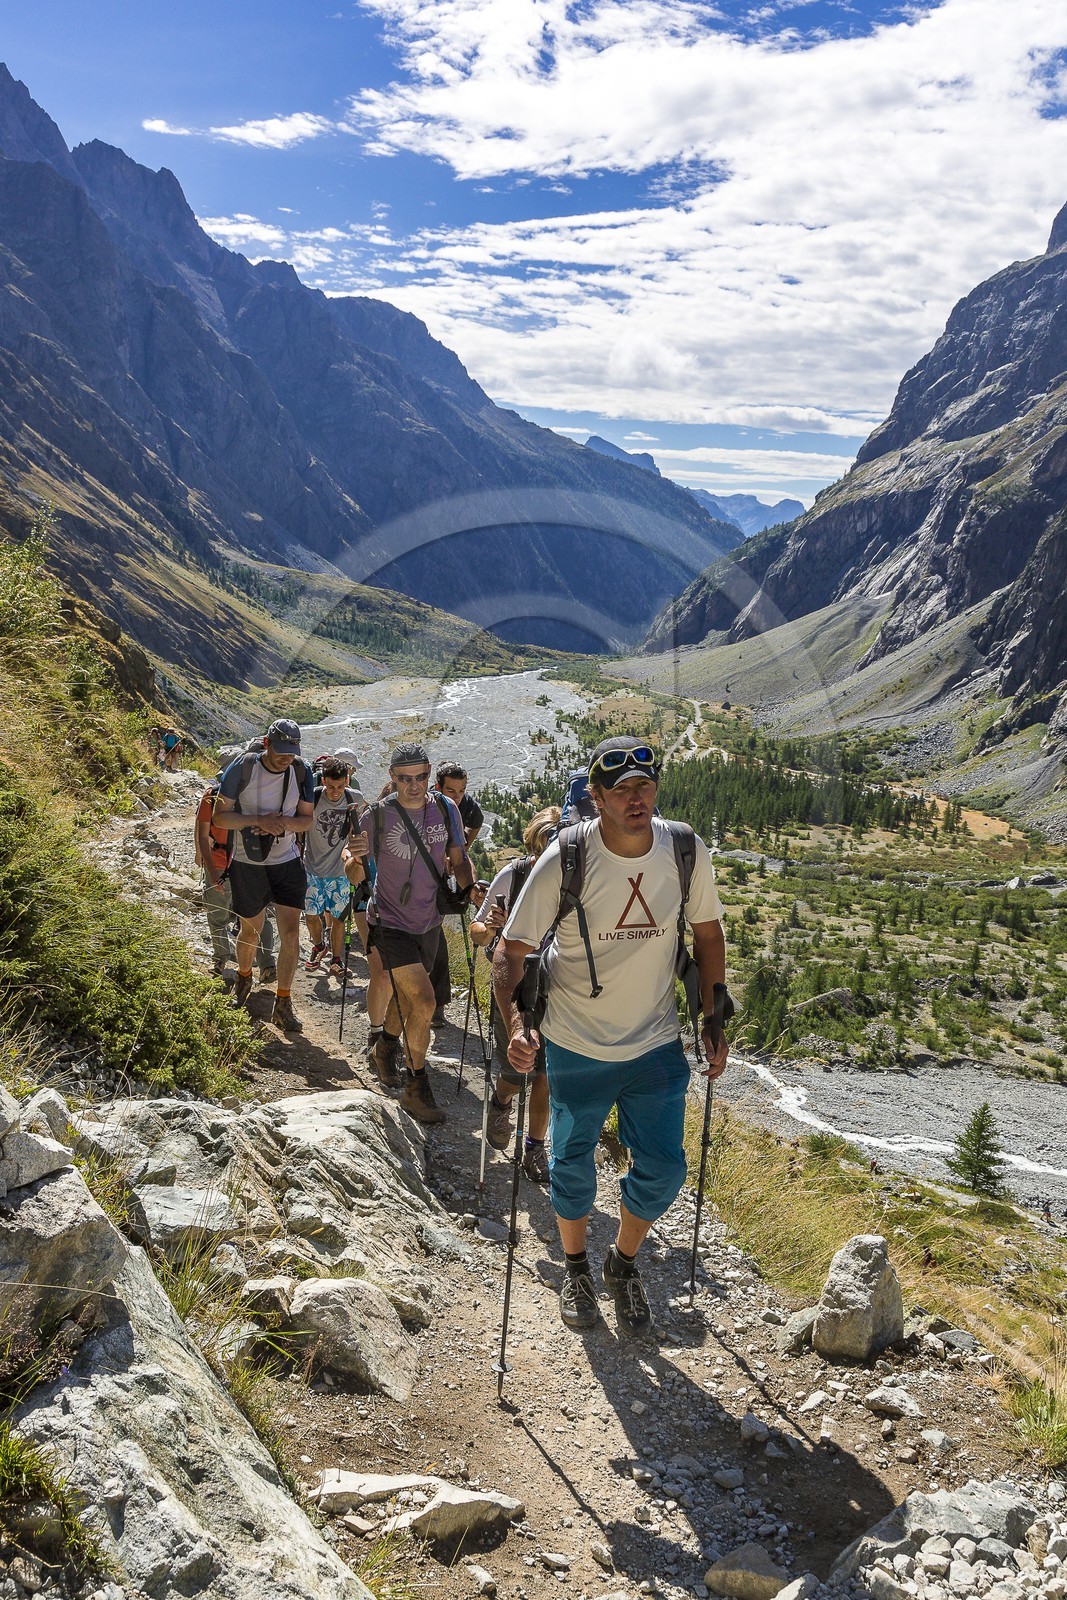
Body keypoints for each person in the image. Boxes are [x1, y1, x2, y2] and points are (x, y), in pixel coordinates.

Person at [494, 736, 729, 1339]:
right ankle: (575, 1268)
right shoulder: (567, 857)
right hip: (576, 1040)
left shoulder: (684, 849)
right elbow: (512, 950)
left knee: (665, 1170)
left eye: (645, 786)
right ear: (596, 798)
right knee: (571, 1165)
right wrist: (518, 1027)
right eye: (621, 789)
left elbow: (707, 934)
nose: (636, 798)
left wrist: (713, 1017)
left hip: (655, 1040)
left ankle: (621, 1262)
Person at [360, 743, 473, 1124]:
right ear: (392, 778)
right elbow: (354, 865)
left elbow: (458, 858)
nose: (413, 786)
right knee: (424, 1001)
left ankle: (385, 1047)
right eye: (405, 779)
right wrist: (352, 859)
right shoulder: (377, 816)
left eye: (421, 777)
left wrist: (470, 889)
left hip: (429, 920)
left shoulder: (446, 808)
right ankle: (416, 1088)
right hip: (389, 922)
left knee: (409, 1001)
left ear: (429, 774)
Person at [470, 805, 560, 1182]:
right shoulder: (514, 875)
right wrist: (493, 929)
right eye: (542, 848)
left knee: (546, 1072)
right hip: (514, 982)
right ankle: (501, 1100)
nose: (548, 857)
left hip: (557, 984)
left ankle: (535, 1148)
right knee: (518, 1066)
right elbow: (476, 932)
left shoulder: (572, 878)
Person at [213, 718, 315, 1032]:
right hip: (248, 862)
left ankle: (283, 1001)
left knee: (291, 933)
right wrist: (258, 820)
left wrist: (280, 825)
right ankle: (244, 978)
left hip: (287, 861)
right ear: (267, 744)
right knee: (251, 930)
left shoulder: (302, 771)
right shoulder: (243, 767)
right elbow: (220, 816)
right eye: (281, 752)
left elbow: (306, 821)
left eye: (292, 753)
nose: (286, 759)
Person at [194, 770, 277, 981]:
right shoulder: (212, 796)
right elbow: (203, 834)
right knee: (221, 915)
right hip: (226, 864)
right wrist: (211, 870)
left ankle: (265, 965)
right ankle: (224, 959)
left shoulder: (225, 796)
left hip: (246, 866)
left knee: (253, 917)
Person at [429, 761, 485, 1025]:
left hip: (442, 873)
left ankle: (436, 1004)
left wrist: (462, 852)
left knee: (435, 935)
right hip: (422, 874)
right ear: (438, 787)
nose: (458, 796)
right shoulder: (426, 804)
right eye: (451, 790)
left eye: (461, 790)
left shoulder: (466, 805)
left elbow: (477, 822)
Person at [303, 757, 367, 976]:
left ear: (347, 781)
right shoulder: (312, 797)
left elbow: (362, 822)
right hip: (312, 867)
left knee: (339, 919)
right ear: (323, 781)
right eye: (331, 787)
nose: (335, 792)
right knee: (311, 915)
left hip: (340, 871)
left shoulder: (354, 798)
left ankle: (336, 960)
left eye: (340, 786)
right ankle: (319, 945)